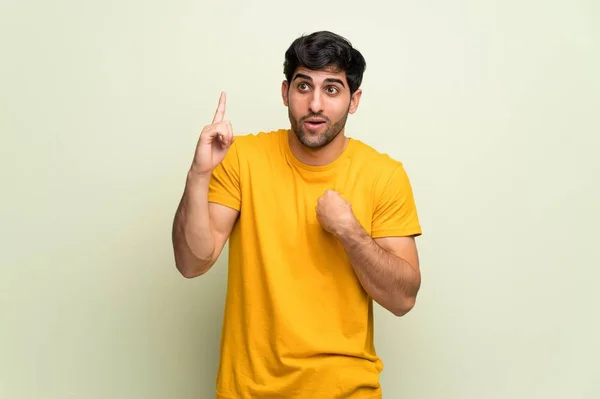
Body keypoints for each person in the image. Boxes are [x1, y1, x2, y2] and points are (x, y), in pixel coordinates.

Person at [171, 30, 422, 399]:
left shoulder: (384, 175)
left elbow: (403, 300)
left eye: (332, 89)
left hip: (346, 390)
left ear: (354, 100)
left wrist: (350, 232)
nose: (316, 104)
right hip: (248, 391)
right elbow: (192, 262)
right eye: (304, 87)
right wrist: (199, 174)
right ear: (285, 91)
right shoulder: (242, 158)